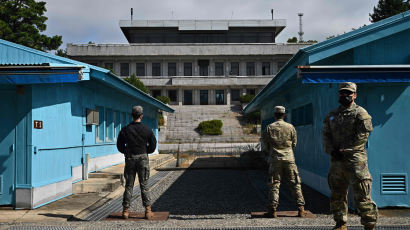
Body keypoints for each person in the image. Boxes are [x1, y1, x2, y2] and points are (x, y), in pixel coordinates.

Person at [323, 82, 378, 230]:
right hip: (337, 163)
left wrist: (345, 151)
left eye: (349, 93)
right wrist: (331, 150)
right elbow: (326, 135)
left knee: (362, 195)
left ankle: (369, 224)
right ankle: (340, 224)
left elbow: (362, 137)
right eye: (343, 93)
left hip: (355, 161)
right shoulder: (332, 115)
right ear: (339, 95)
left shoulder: (361, 114)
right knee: (337, 195)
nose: (345, 95)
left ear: (355, 95)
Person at [262, 105, 306, 218]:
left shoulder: (269, 127)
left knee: (274, 184)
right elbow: (294, 143)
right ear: (284, 115)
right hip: (289, 158)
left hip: (275, 159)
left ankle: (272, 210)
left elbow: (265, 146)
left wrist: (271, 152)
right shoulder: (290, 127)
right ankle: (301, 209)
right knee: (295, 183)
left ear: (275, 115)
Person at [117, 105, 157, 220]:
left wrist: (126, 152)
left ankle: (125, 211)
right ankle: (148, 211)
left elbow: (119, 145)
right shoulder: (147, 130)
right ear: (141, 116)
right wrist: (145, 151)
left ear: (132, 115)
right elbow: (153, 146)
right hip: (143, 158)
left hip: (130, 158)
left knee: (129, 185)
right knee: (144, 185)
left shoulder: (125, 129)